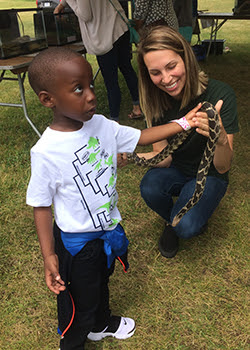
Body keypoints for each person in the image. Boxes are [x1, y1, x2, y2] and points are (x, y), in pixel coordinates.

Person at [26, 47, 199, 350]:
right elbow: (41, 206)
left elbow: (142, 137)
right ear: (47, 99)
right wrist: (48, 255)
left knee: (101, 283)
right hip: (77, 245)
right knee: (80, 301)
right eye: (78, 89)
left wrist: (184, 123)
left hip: (108, 231)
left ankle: (101, 323)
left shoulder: (102, 125)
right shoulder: (45, 151)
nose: (91, 95)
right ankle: (74, 342)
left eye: (90, 85)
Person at [136, 25, 239, 258]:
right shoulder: (155, 102)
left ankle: (181, 218)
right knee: (150, 186)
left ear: (187, 59)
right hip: (178, 168)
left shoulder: (220, 94)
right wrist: (132, 158)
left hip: (211, 174)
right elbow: (164, 156)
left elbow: (223, 166)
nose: (166, 79)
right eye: (155, 72)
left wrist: (220, 138)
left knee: (186, 226)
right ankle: (173, 218)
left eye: (171, 66)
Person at [54, 0, 143, 121]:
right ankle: (137, 107)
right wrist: (61, 5)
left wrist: (70, 3)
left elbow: (86, 15)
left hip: (104, 36)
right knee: (127, 69)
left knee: (111, 81)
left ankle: (114, 120)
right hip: (120, 28)